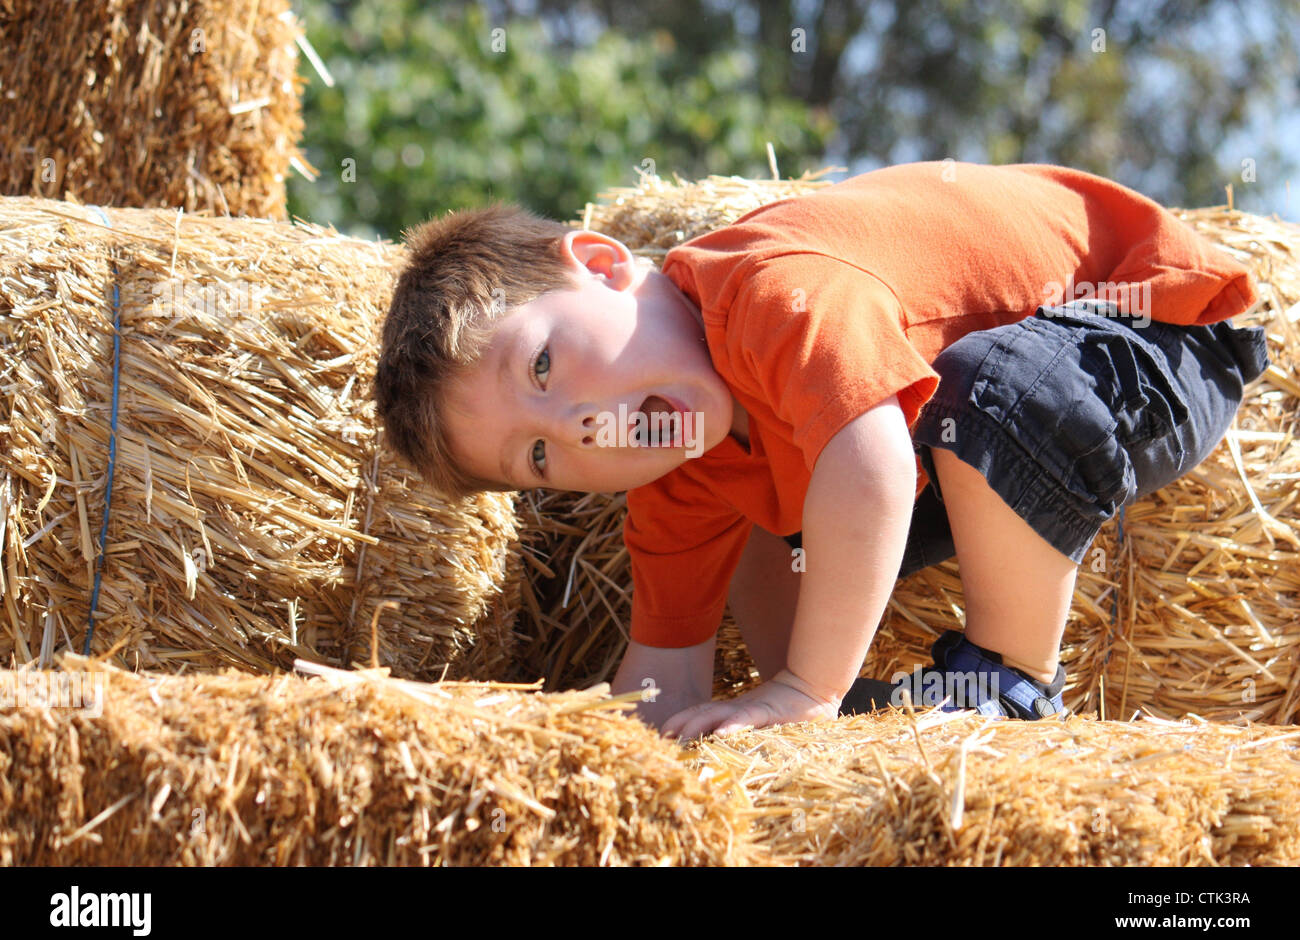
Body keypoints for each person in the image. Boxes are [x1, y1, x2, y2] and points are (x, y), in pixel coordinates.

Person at [373, 161, 1269, 740]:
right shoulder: (679, 479)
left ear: (605, 265)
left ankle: (1011, 685)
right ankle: (827, 730)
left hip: (1152, 327)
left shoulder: (771, 290)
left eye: (543, 365)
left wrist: (808, 684)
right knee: (783, 527)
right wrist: (597, 761)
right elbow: (663, 669)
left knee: (978, 396)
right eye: (538, 457)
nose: (575, 426)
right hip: (985, 412)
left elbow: (872, 463)